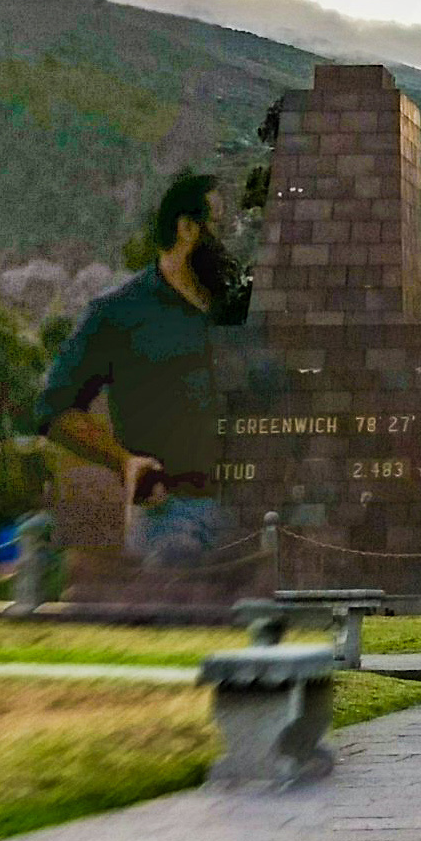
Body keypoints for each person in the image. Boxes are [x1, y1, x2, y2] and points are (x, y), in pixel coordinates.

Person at [33, 169, 277, 568]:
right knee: (181, 622)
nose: (233, 241)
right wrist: (123, 461)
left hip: (254, 516)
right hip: (173, 517)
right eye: (222, 225)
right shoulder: (118, 313)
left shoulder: (235, 314)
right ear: (186, 229)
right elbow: (56, 409)